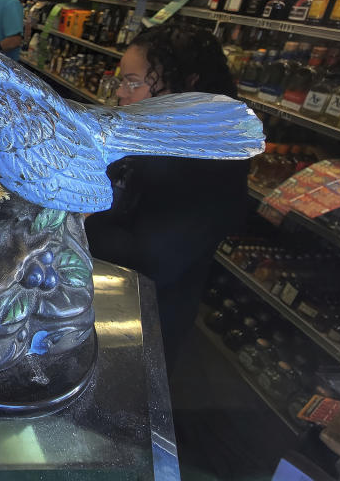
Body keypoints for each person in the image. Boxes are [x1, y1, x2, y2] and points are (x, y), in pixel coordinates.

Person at [85, 24, 249, 366]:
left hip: (150, 319)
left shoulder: (213, 158)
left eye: (134, 82)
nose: (122, 94)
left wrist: (80, 217)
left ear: (188, 84)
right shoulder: (159, 133)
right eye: (122, 82)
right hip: (115, 297)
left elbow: (156, 259)